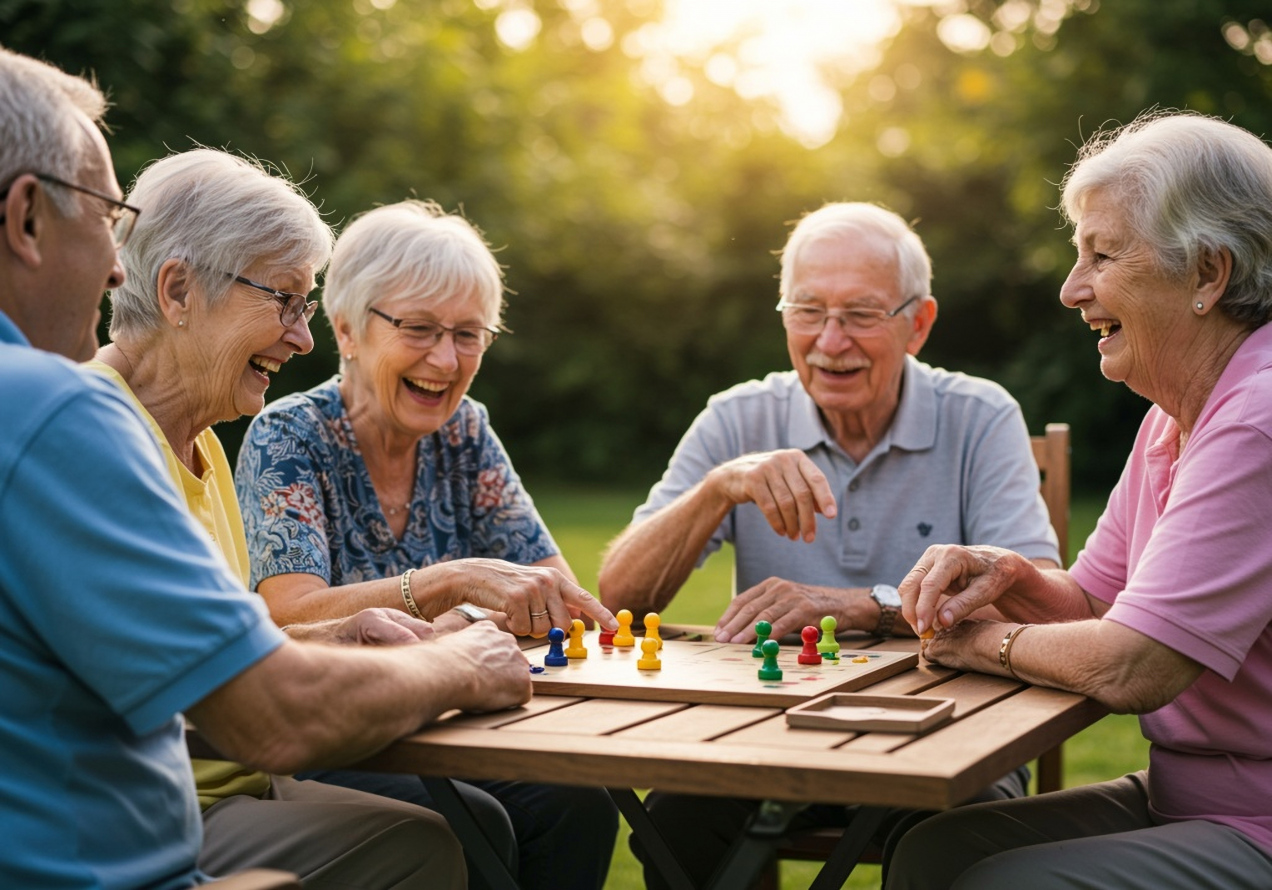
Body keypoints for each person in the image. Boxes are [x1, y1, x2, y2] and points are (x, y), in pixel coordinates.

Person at [0, 45, 531, 890]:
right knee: (438, 842)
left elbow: (167, 646)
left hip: (175, 807)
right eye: (101, 217)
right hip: (119, 852)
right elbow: (268, 715)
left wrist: (338, 633)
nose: (112, 265)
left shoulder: (201, 440)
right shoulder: (59, 413)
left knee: (469, 824)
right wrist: (455, 664)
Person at [597, 202, 1062, 888]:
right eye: (808, 311)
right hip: (768, 728)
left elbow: (1036, 601)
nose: (830, 341)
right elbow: (621, 597)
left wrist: (863, 606)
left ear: (919, 324)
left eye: (861, 315)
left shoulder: (980, 415)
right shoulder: (736, 418)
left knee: (961, 837)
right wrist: (717, 489)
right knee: (677, 822)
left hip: (946, 725)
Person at [888, 111, 1272, 889]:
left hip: (1257, 818)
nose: (1072, 289)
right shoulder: (1174, 417)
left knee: (998, 885)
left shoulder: (1257, 423)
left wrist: (978, 643)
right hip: (1190, 797)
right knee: (933, 852)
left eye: (1102, 255)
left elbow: (1134, 664)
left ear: (1208, 274)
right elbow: (1097, 604)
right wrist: (1010, 576)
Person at [235, 199, 619, 890]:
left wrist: (462, 614)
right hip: (332, 732)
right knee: (476, 822)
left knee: (576, 805)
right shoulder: (289, 435)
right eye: (418, 328)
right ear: (348, 329)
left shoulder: (465, 431)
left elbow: (551, 590)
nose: (445, 359)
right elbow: (294, 614)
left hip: (449, 721)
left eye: (468, 334)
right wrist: (451, 584)